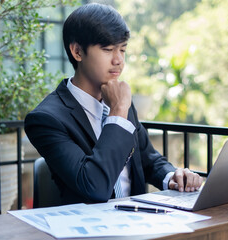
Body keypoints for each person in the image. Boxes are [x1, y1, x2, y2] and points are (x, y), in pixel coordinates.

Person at [25, 3, 203, 206]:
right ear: (77, 52)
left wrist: (173, 176)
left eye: (123, 49)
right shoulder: (47, 119)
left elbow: (149, 160)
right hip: (86, 229)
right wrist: (117, 113)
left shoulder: (122, 100)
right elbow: (94, 186)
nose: (118, 60)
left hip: (138, 221)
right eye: (108, 49)